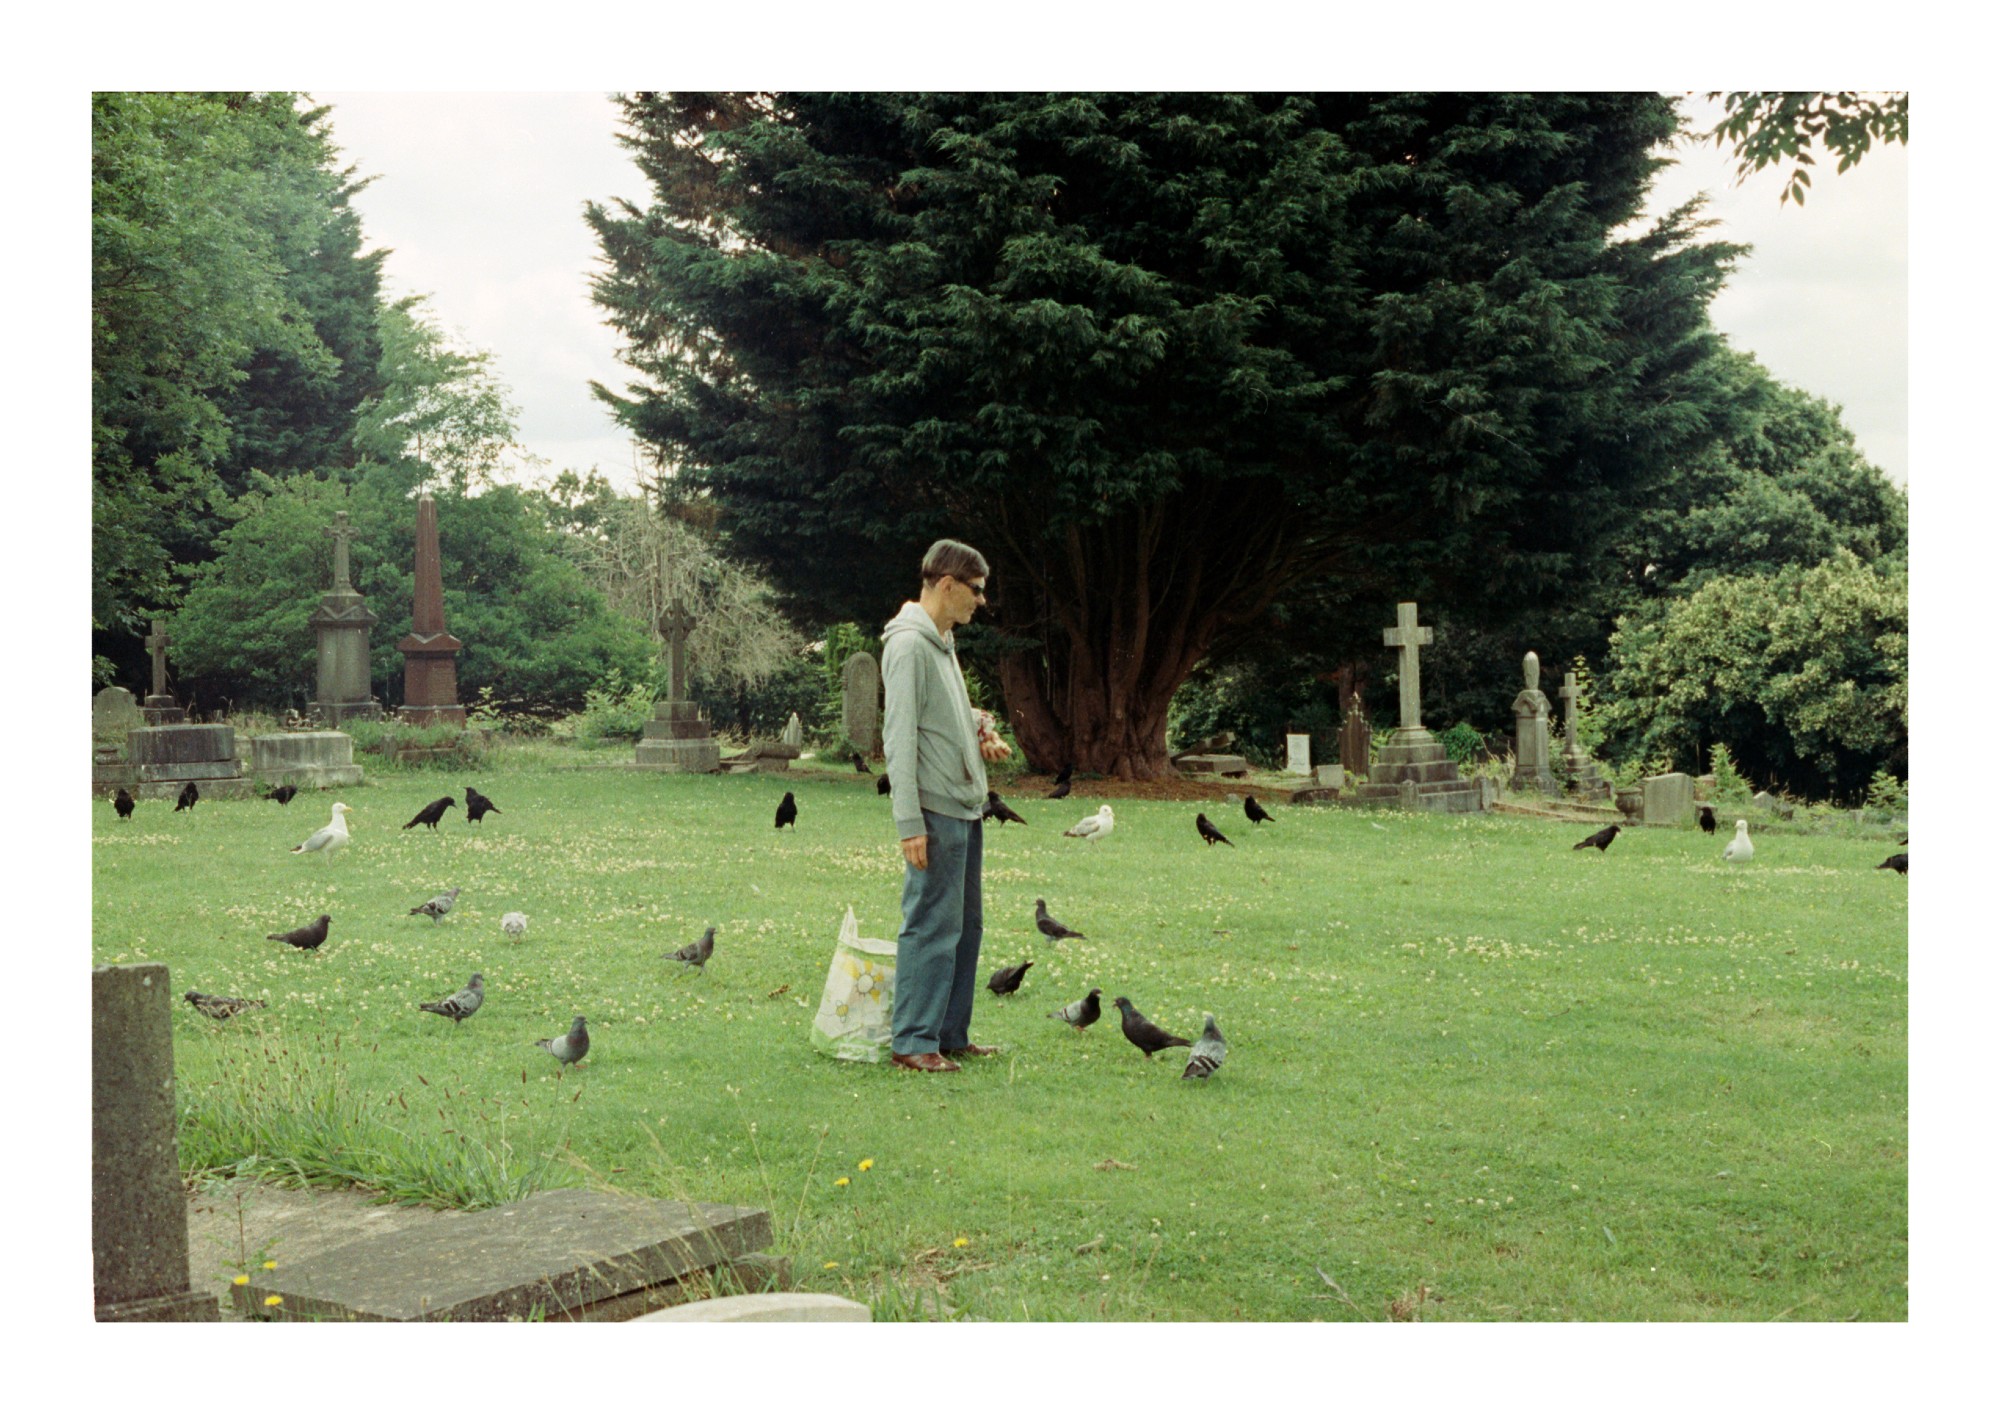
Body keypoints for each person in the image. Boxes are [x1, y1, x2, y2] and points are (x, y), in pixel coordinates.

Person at [880, 538, 1013, 1073]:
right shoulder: (909, 646)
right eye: (975, 590)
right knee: (931, 924)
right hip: (934, 813)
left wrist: (981, 731)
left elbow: (946, 713)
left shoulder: (942, 641)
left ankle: (950, 1035)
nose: (981, 600)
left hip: (965, 807)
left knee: (965, 926)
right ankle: (913, 1041)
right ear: (948, 585)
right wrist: (909, 823)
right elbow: (899, 738)